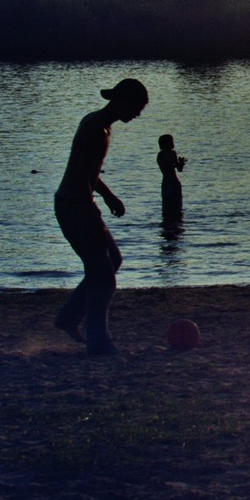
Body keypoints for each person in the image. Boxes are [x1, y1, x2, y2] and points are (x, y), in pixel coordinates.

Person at [54, 78, 148, 355]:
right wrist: (102, 200)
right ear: (122, 101)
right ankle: (99, 342)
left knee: (111, 262)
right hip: (75, 206)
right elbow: (84, 172)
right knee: (103, 276)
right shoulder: (96, 128)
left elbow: (89, 172)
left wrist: (106, 196)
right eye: (137, 107)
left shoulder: (100, 124)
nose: (138, 114)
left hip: (79, 204)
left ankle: (69, 317)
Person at [157, 134, 186, 221]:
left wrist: (181, 163)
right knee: (168, 204)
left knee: (177, 203)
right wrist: (174, 164)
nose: (172, 144)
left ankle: (177, 219)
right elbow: (166, 168)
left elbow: (179, 169)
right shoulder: (161, 155)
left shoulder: (173, 153)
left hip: (175, 181)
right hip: (167, 182)